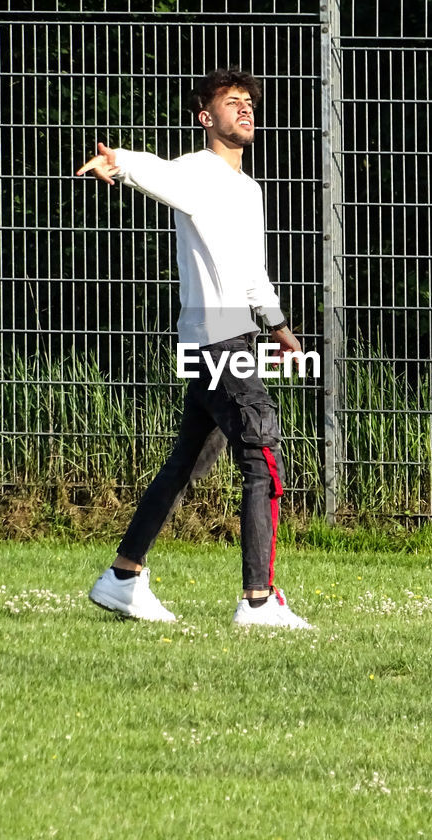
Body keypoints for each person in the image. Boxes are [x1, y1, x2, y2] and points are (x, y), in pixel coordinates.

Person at [75, 67, 312, 630]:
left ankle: (123, 578)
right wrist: (121, 163)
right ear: (207, 118)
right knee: (263, 453)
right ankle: (258, 600)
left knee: (188, 461)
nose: (246, 110)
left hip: (234, 333)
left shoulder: (248, 190)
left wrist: (279, 329)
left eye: (250, 103)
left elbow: (252, 271)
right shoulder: (196, 173)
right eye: (233, 103)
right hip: (217, 334)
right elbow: (157, 173)